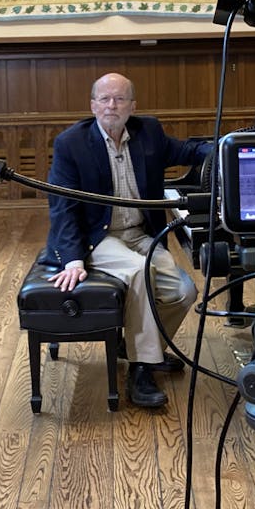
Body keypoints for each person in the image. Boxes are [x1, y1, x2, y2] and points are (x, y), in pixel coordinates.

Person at [45, 73, 211, 409]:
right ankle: (141, 370)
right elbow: (61, 208)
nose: (112, 105)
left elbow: (186, 150)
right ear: (92, 105)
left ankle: (135, 345)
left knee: (184, 292)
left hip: (141, 233)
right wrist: (73, 260)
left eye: (120, 99)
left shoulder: (148, 132)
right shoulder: (70, 143)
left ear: (133, 106)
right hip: (99, 237)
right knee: (138, 271)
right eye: (104, 99)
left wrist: (228, 146)